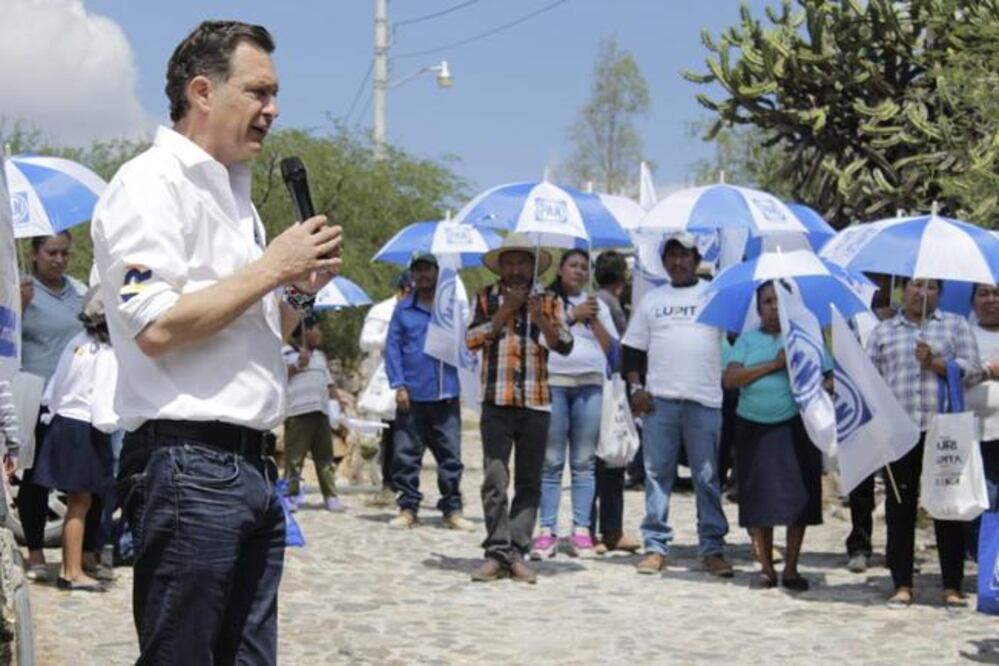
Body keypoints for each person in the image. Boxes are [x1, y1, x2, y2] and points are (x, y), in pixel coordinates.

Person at [91, 20, 343, 663]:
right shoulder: (148, 186)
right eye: (258, 91)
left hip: (252, 467)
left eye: (275, 93)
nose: (273, 109)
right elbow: (157, 327)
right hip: (188, 464)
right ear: (203, 91)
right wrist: (272, 267)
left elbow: (257, 333)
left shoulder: (239, 202)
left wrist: (298, 290)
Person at [622, 232, 732, 578]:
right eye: (671, 256)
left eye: (685, 255)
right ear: (663, 261)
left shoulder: (716, 295)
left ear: (697, 259)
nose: (678, 262)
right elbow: (632, 351)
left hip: (705, 402)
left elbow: (737, 338)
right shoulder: (653, 300)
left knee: (708, 476)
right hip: (660, 403)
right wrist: (636, 388)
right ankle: (655, 546)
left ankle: (712, 548)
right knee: (657, 474)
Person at [865, 277, 980, 609]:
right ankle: (901, 582)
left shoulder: (955, 326)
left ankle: (952, 585)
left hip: (943, 430)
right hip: (899, 431)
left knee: (948, 507)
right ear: (904, 289)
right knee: (900, 508)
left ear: (939, 293)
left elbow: (972, 370)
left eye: (931, 287)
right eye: (916, 285)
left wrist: (936, 363)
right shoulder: (884, 331)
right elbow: (869, 379)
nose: (922, 293)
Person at [466, 234, 573, 584]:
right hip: (496, 400)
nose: (515, 269)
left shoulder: (551, 299)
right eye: (509, 263)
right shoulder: (485, 297)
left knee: (529, 482)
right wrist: (504, 313)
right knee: (495, 479)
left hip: (536, 401)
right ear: (501, 267)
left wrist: (538, 317)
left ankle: (516, 550)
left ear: (532, 265)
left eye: (522, 262)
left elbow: (564, 345)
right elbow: (470, 341)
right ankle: (497, 552)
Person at [722, 282, 827, 591]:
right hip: (753, 427)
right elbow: (730, 379)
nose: (773, 307)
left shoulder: (805, 339)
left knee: (799, 498)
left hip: (796, 427)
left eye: (779, 301)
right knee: (759, 498)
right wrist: (773, 365)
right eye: (767, 302)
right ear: (758, 309)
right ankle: (766, 568)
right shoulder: (747, 340)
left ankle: (792, 568)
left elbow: (827, 373)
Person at [531, 250, 617, 558]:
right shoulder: (545, 300)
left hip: (589, 385)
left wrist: (592, 320)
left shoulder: (598, 306)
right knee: (552, 461)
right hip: (555, 383)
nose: (578, 271)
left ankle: (581, 531)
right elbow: (539, 340)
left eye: (584, 267)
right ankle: (546, 531)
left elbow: (613, 351)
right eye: (573, 265)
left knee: (584, 461)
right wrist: (570, 315)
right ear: (561, 269)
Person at [32, 288, 117, 592]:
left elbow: (55, 386)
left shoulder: (76, 342)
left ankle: (75, 565)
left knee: (78, 500)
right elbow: (104, 405)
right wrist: (112, 426)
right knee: (80, 501)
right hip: (85, 428)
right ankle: (72, 570)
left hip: (63, 422)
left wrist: (50, 414)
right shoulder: (106, 353)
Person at [384, 253, 473, 530]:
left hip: (445, 393)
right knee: (406, 456)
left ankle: (452, 509)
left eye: (428, 270)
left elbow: (466, 343)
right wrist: (398, 384)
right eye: (417, 270)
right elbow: (392, 348)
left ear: (438, 273)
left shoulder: (449, 309)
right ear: (411, 274)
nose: (422, 275)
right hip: (411, 394)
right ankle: (408, 507)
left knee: (450, 457)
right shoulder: (403, 310)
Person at [18, 232, 88, 582]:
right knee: (35, 479)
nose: (58, 260)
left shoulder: (77, 291)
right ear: (34, 254)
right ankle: (34, 551)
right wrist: (17, 307)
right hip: (34, 393)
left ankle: (82, 555)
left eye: (64, 253)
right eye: (51, 253)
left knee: (82, 479)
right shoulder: (22, 291)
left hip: (72, 398)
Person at [845, 272, 897, 573]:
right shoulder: (850, 316)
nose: (878, 285)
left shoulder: (902, 318)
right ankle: (859, 544)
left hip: (895, 408)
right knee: (861, 482)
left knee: (897, 486)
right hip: (862, 406)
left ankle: (897, 548)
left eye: (883, 279)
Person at [590, 250, 640, 554]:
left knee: (598, 462)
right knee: (611, 460)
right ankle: (609, 529)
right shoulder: (610, 307)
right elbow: (620, 351)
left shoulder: (593, 302)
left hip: (595, 389)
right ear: (623, 279)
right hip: (609, 390)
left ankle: (594, 528)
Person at [282, 318, 345, 513]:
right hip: (298, 412)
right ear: (305, 331)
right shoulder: (286, 353)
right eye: (316, 329)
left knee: (325, 457)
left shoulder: (320, 356)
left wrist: (339, 401)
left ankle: (331, 496)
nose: (320, 333)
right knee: (294, 458)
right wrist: (298, 365)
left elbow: (328, 382)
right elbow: (280, 375)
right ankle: (290, 495)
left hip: (321, 412)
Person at [359, 271, 412, 504]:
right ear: (401, 289)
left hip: (413, 378)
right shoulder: (381, 311)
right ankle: (389, 483)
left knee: (411, 436)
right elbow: (365, 341)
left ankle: (408, 485)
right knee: (391, 435)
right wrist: (390, 340)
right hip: (387, 380)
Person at [968, 282, 999, 513]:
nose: (991, 300)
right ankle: (981, 549)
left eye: (997, 294)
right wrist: (988, 370)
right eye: (983, 294)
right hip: (974, 430)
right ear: (973, 302)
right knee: (984, 495)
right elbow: (958, 374)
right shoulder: (963, 335)